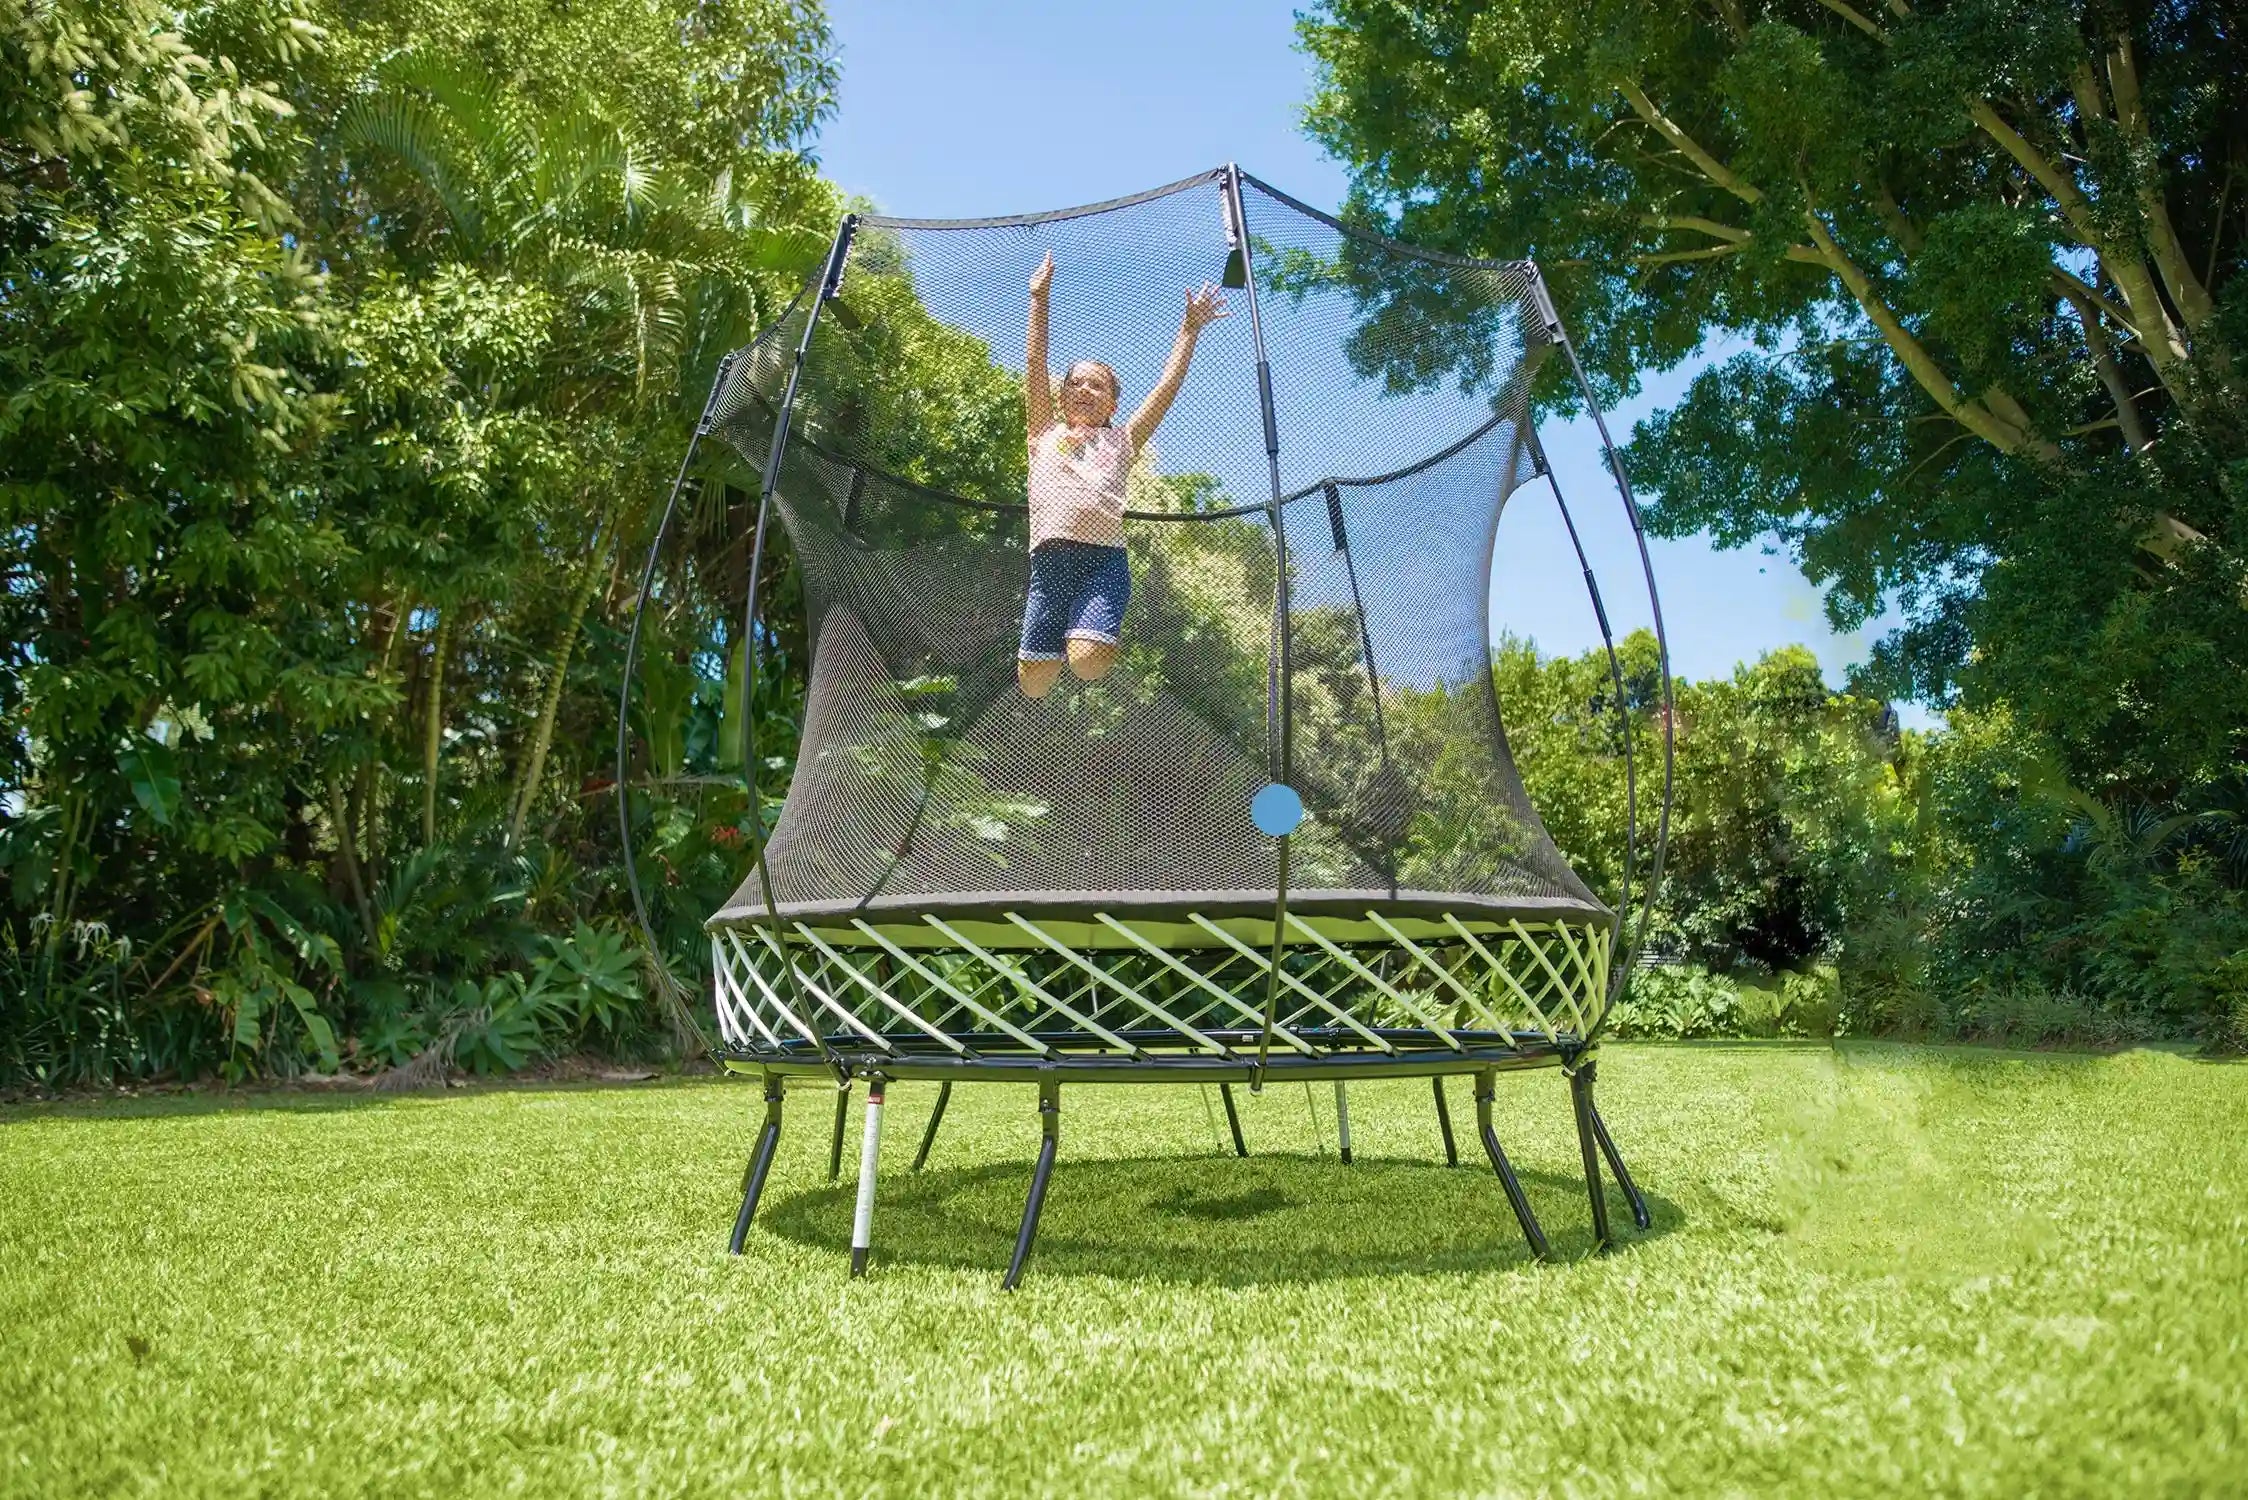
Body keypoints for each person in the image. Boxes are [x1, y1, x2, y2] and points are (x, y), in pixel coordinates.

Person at [1017, 250, 1228, 698]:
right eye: (1076, 383)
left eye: (1098, 385)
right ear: (1060, 396)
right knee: (1034, 686)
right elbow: (1035, 369)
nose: (1085, 389)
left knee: (1088, 666)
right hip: (1048, 563)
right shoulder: (1043, 433)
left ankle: (1090, 630)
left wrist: (1188, 331)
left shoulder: (1123, 441)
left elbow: (1165, 391)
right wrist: (1039, 300)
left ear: (1113, 404)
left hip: (1103, 562)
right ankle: (1055, 631)